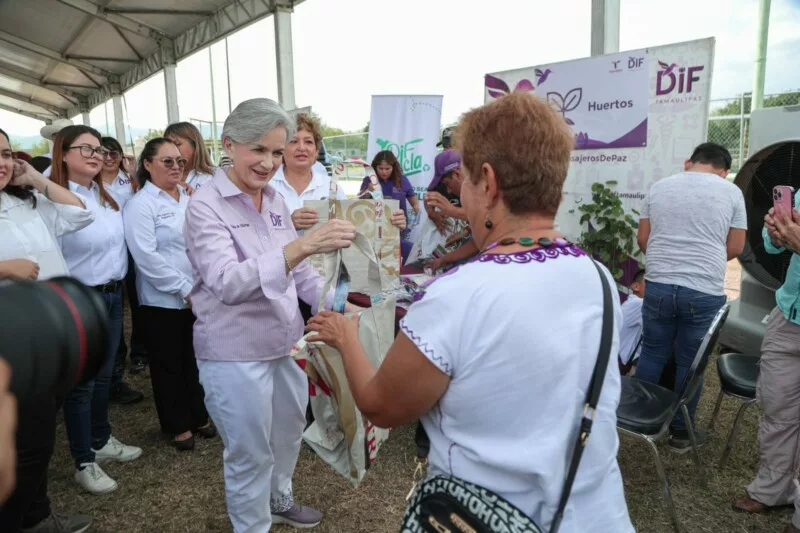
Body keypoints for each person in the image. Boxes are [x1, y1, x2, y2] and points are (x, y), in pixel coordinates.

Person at [308, 93, 634, 532]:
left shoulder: (458, 295)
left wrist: (347, 339)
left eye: (462, 178)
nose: (460, 191)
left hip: (479, 515)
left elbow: (382, 406)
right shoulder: (596, 277)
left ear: (488, 181)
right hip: (596, 513)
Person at [183, 98, 359, 532]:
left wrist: (334, 302)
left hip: (286, 345)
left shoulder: (275, 199)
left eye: (277, 152)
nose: (268, 162)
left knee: (288, 432)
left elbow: (299, 276)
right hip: (234, 354)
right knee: (249, 452)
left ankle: (279, 498)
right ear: (229, 145)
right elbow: (225, 282)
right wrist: (302, 245)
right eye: (258, 150)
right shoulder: (205, 205)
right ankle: (252, 526)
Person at [0, 127, 93, 533]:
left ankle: (36, 514)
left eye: (4, 154)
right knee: (24, 442)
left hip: (50, 332)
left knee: (37, 437)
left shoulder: (25, 202)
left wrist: (36, 178)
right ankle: (23, 519)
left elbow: (81, 212)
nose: (1, 164)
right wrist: (4, 269)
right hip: (11, 341)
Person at [49, 125, 143, 495]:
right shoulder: (52, 195)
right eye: (83, 148)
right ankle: (83, 459)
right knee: (82, 384)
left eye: (98, 148)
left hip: (111, 293)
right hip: (79, 297)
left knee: (104, 375)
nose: (94, 154)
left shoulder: (104, 195)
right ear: (63, 153)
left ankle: (101, 439)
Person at [635, 142, 746, 452]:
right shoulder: (731, 192)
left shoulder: (659, 188)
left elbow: (644, 239)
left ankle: (640, 421)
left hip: (658, 284)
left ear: (689, 162)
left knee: (653, 353)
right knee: (690, 362)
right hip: (703, 289)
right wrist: (701, 263)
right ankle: (681, 434)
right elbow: (736, 247)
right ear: (724, 172)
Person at [124, 138, 213, 450]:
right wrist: (184, 288)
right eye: (167, 161)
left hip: (197, 293)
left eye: (180, 161)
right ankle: (177, 424)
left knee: (194, 357)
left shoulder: (188, 198)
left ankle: (199, 414)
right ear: (147, 165)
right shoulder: (141, 205)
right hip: (162, 299)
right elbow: (146, 257)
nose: (177, 167)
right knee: (167, 363)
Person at [732, 203, 800, 533]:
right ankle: (774, 490)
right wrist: (774, 232)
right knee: (777, 409)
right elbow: (773, 246)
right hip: (788, 315)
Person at [99, 136, 148, 400]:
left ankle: (138, 353)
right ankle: (112, 371)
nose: (108, 158)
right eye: (103, 153)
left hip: (131, 250)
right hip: (108, 254)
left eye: (114, 153)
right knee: (111, 315)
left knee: (137, 302)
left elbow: (143, 200)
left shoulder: (126, 179)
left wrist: (133, 175)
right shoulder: (91, 183)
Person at [360, 150, 420, 262]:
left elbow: (415, 203)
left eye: (387, 168)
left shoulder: (402, 180)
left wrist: (414, 216)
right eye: (380, 168)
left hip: (398, 229)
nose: (384, 172)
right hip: (375, 230)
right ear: (374, 167)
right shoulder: (369, 180)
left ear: (394, 167)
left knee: (396, 261)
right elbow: (360, 205)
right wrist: (368, 191)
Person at [164, 122, 226, 191]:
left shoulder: (214, 176)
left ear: (195, 146)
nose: (172, 149)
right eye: (168, 146)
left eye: (177, 144)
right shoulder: (159, 178)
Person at [618, 269, 646, 375]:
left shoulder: (630, 303)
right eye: (649, 282)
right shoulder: (638, 303)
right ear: (635, 286)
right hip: (618, 363)